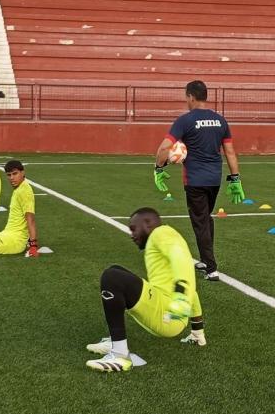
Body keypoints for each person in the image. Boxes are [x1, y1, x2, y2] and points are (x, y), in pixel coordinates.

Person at [84, 207, 206, 372]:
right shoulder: (166, 237)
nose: (132, 235)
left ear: (148, 224)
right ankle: (115, 341)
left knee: (111, 278)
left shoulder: (161, 234)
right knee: (116, 269)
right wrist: (197, 331)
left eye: (134, 228)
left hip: (167, 314)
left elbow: (181, 258)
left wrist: (181, 296)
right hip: (171, 314)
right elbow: (193, 288)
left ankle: (120, 355)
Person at [153, 80, 242, 282]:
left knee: (200, 221)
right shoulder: (220, 120)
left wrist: (159, 168)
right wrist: (235, 178)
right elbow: (229, 151)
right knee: (206, 217)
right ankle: (205, 259)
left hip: (194, 180)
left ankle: (211, 269)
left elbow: (164, 148)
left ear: (191, 96)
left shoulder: (185, 121)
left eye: (186, 97)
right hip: (214, 179)